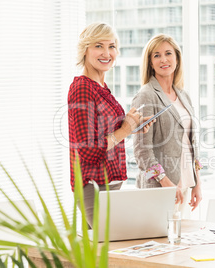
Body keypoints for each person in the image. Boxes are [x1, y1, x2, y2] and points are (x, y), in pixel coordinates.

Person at [68, 22, 154, 227]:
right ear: (85, 50)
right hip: (93, 185)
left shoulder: (101, 87)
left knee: (104, 252)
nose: (107, 52)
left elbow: (106, 132)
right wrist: (125, 130)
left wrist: (131, 126)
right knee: (111, 248)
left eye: (112, 46)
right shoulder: (82, 89)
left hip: (109, 182)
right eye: (98, 46)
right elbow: (88, 149)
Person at [131, 34, 202, 217]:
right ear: (150, 63)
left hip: (184, 185)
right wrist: (165, 183)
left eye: (168, 53)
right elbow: (141, 152)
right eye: (156, 55)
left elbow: (191, 144)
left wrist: (197, 183)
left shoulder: (184, 96)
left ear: (177, 59)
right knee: (159, 243)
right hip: (160, 188)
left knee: (180, 243)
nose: (163, 59)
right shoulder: (146, 95)